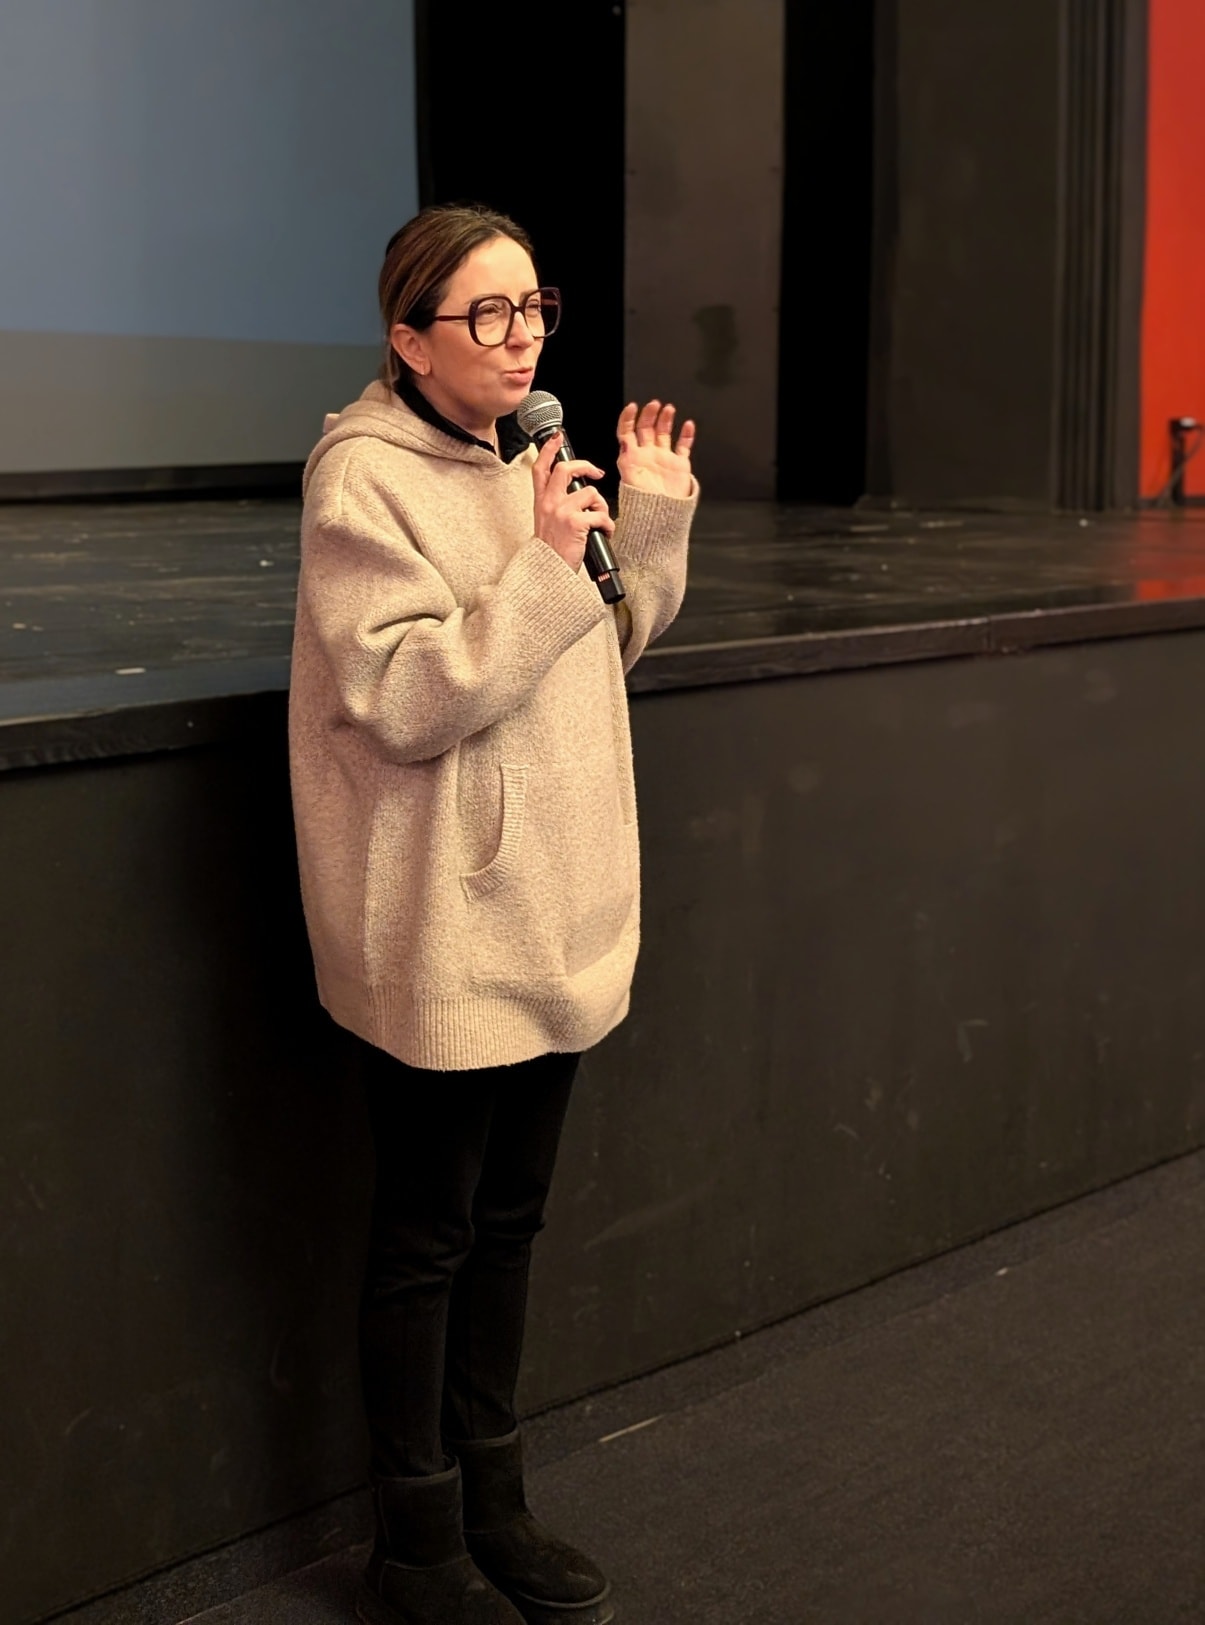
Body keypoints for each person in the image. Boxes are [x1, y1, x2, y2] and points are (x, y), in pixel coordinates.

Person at [288, 202, 698, 1625]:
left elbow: (602, 642)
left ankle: (495, 1504)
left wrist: (647, 525)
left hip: (555, 909)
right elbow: (407, 699)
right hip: (449, 927)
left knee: (508, 1223)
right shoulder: (363, 480)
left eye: (534, 308)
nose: (523, 340)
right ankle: (414, 1542)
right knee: (429, 1239)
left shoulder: (529, 455)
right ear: (408, 338)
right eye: (487, 313)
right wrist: (538, 561)